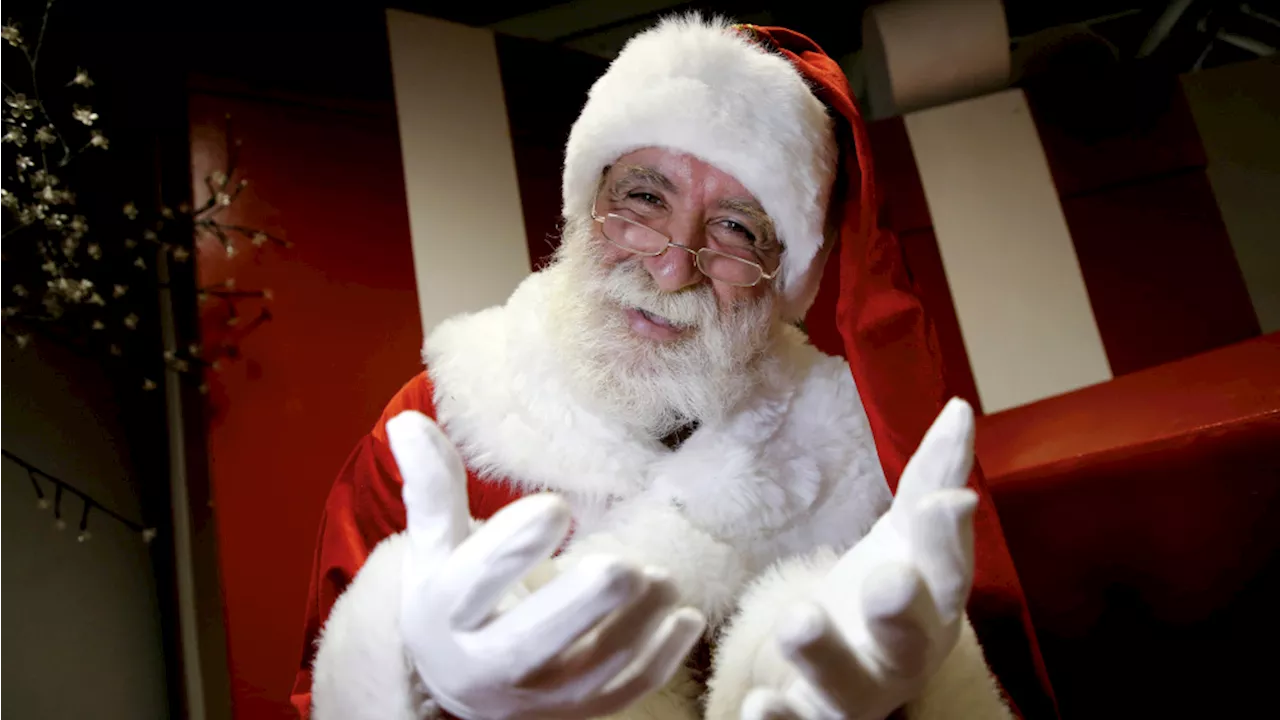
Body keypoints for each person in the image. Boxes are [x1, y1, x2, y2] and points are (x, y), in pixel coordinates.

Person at [290, 15, 1057, 720]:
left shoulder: (853, 455)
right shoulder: (441, 420)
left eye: (734, 228)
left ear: (785, 275)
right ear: (586, 202)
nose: (671, 267)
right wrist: (416, 685)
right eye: (644, 197)